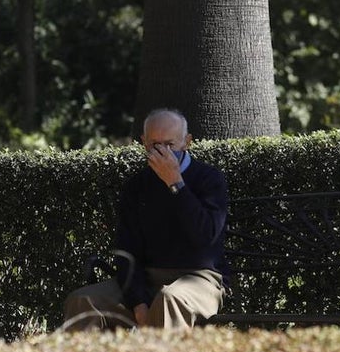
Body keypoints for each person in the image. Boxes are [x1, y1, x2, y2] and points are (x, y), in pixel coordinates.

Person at [63, 108, 228, 330]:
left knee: (169, 299)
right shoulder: (137, 186)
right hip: (147, 278)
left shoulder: (209, 179)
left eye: (170, 145)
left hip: (200, 278)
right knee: (82, 300)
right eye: (154, 145)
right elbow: (127, 249)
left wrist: (176, 184)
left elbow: (205, 235)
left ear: (186, 142)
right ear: (143, 142)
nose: (162, 151)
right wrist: (138, 302)